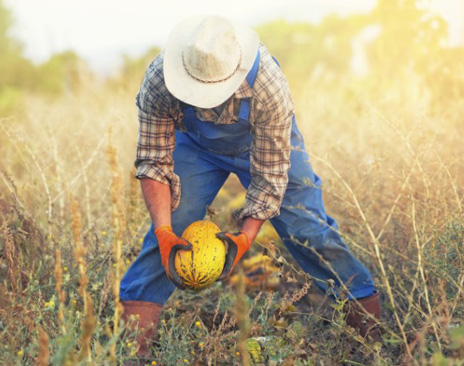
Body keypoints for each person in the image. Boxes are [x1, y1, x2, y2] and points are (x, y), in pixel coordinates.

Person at [119, 15, 381, 358]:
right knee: (163, 241)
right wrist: (165, 230)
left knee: (310, 233)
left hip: (262, 146)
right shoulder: (159, 79)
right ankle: (132, 355)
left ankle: (376, 346)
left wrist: (245, 237)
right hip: (195, 147)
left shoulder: (268, 85)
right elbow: (153, 161)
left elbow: (271, 176)